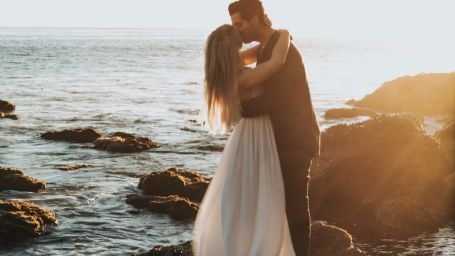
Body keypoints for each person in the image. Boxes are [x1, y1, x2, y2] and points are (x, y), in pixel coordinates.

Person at [192, 24, 296, 255]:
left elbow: (255, 52)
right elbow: (277, 62)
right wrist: (284, 33)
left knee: (245, 193)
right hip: (257, 135)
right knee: (261, 193)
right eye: (239, 38)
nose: (243, 38)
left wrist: (269, 40)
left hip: (247, 134)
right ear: (232, 49)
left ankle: (246, 240)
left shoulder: (223, 73)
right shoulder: (243, 78)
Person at [229, 1, 321, 255]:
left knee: (294, 206)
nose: (237, 31)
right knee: (274, 207)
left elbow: (276, 99)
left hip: (296, 139)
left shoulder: (285, 51)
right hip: (279, 139)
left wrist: (238, 109)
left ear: (256, 19)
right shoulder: (266, 48)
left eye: (240, 24)